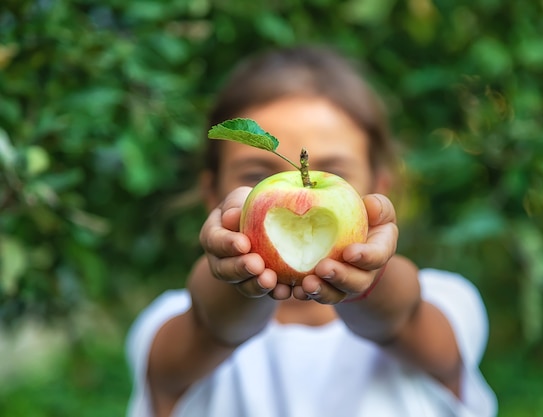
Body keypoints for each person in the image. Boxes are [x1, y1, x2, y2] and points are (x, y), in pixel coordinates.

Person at [126, 45, 497, 417]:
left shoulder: (447, 302)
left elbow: (400, 318)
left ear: (378, 189)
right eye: (256, 176)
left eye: (334, 172)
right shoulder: (171, 322)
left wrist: (369, 275)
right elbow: (211, 325)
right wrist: (237, 273)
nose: (296, 198)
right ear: (213, 195)